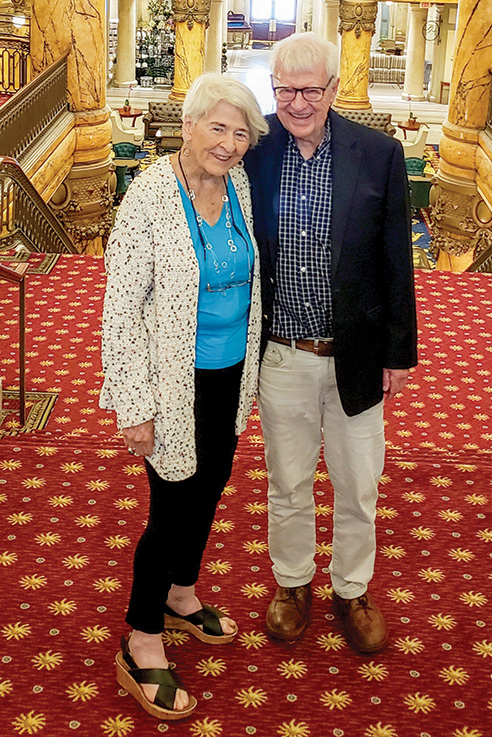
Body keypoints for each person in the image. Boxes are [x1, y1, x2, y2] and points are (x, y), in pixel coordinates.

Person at [100, 73, 268, 720]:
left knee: (211, 486)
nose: (227, 144)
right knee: (171, 504)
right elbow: (121, 308)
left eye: (240, 132)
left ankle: (181, 593)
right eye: (217, 127)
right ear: (189, 125)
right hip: (171, 382)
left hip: (229, 377)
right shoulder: (148, 195)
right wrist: (133, 402)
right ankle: (141, 637)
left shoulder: (241, 187)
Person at [244, 33, 418, 653]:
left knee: (358, 482)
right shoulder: (255, 149)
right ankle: (292, 585)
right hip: (282, 354)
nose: (294, 102)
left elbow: (397, 259)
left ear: (334, 90)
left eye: (308, 90)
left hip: (358, 352)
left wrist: (399, 353)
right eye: (284, 89)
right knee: (287, 482)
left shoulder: (379, 154)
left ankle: (352, 589)